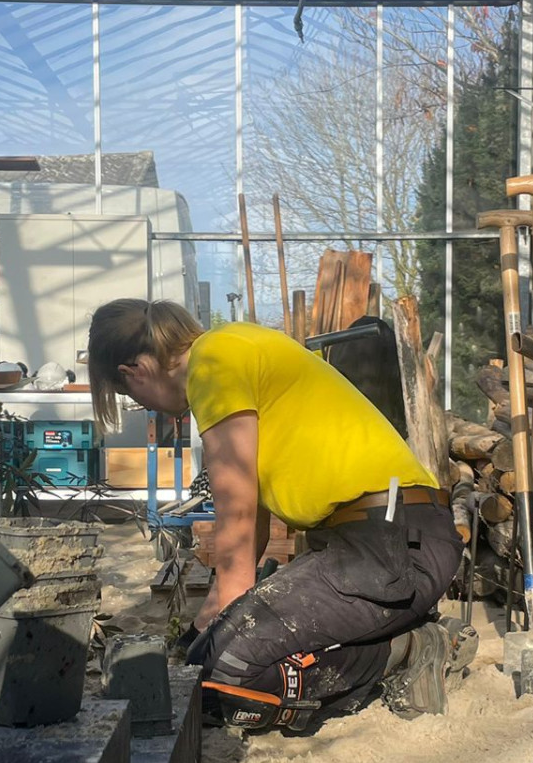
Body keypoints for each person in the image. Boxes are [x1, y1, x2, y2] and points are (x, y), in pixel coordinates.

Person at [87, 299, 470, 727]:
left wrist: (218, 642)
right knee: (213, 657)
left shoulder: (213, 363)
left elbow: (236, 517)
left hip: (390, 547)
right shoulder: (231, 349)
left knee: (225, 677)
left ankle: (408, 651)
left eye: (131, 396)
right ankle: (396, 641)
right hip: (384, 543)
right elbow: (252, 532)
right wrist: (202, 629)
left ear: (135, 371)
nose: (149, 407)